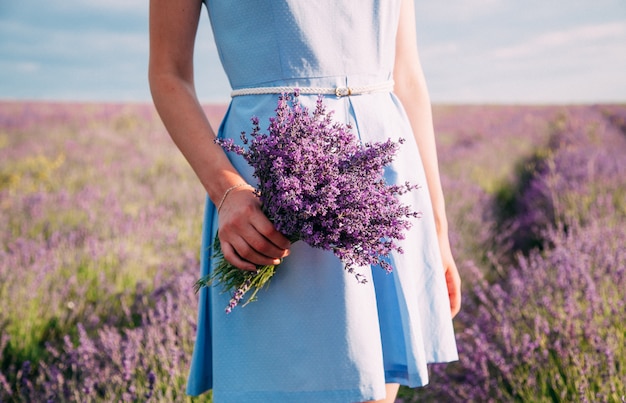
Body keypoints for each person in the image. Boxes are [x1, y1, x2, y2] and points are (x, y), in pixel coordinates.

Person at [149, 1, 461, 402]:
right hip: (274, 181)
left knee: (376, 393)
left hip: (384, 177)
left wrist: (437, 226)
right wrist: (227, 190)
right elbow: (167, 74)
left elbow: (406, 75)